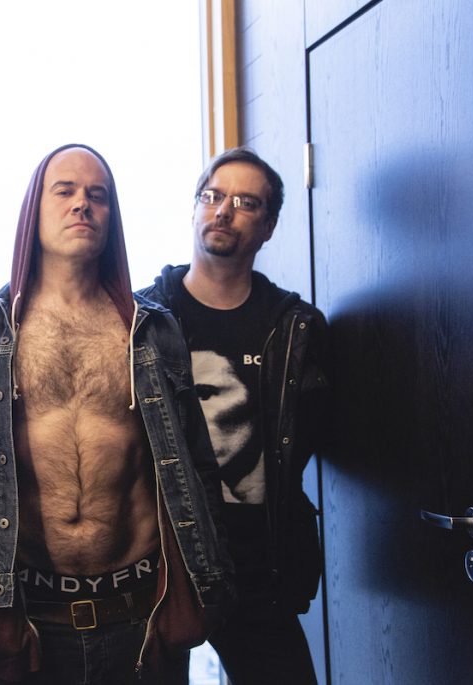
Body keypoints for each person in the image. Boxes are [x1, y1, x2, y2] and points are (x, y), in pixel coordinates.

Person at [0, 144, 234, 685]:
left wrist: (205, 588)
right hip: (23, 622)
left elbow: (198, 470)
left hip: (141, 615)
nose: (82, 203)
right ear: (33, 211)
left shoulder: (152, 332)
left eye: (97, 195)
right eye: (64, 191)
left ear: (112, 217)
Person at [141, 147, 331, 685]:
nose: (224, 210)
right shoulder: (140, 320)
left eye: (246, 202)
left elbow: (308, 437)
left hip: (258, 569)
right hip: (160, 566)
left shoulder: (296, 328)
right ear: (195, 208)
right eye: (213, 196)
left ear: (268, 227)